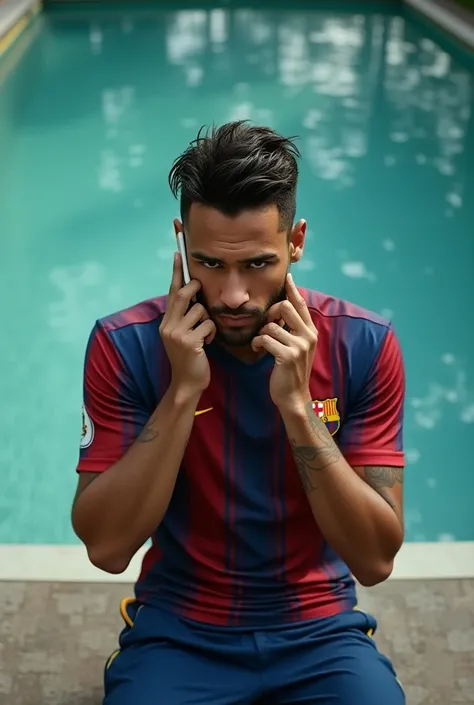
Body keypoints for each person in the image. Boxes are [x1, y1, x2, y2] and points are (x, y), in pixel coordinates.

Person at [72, 121, 406, 705]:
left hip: (319, 628)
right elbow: (107, 549)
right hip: (179, 627)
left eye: (256, 264)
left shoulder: (363, 345)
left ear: (296, 240)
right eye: (209, 263)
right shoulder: (123, 345)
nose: (231, 295)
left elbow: (375, 559)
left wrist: (298, 407)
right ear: (180, 242)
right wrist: (181, 393)